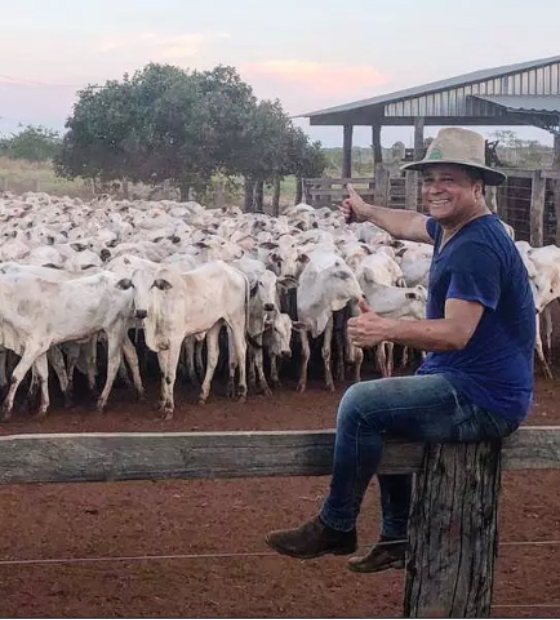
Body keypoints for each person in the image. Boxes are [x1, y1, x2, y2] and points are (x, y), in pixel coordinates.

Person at [264, 127, 536, 573]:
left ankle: (337, 524)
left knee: (361, 403)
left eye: (447, 179)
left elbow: (456, 333)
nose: (434, 189)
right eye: (429, 180)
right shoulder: (454, 230)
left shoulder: (476, 249)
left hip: (485, 398)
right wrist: (367, 211)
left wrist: (385, 328)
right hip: (464, 381)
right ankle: (397, 535)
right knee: (388, 413)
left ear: (477, 186)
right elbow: (409, 223)